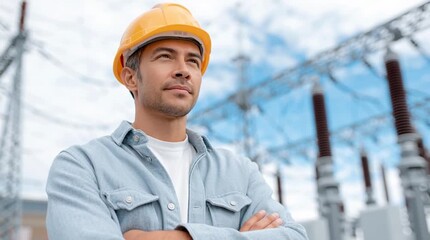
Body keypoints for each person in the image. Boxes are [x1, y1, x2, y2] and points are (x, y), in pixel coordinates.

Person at [46, 3, 308, 240]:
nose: (183, 70)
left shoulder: (240, 173)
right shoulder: (81, 167)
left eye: (193, 61)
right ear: (130, 78)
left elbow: (295, 236)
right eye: (165, 56)